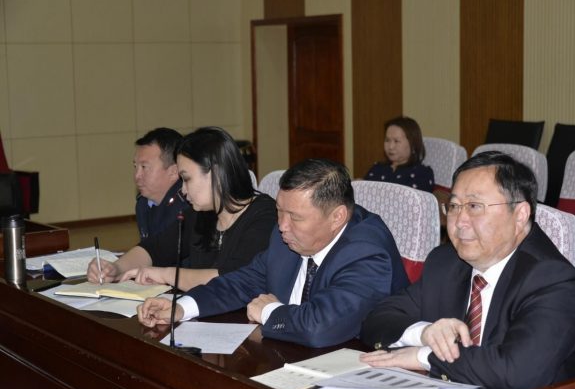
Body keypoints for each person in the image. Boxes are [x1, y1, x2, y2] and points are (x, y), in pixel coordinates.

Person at [359, 151, 575, 389]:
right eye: (453, 206)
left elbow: (517, 372)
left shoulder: (554, 279)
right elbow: (376, 319)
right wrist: (426, 333)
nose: (459, 221)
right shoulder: (446, 262)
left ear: (520, 215)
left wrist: (426, 356)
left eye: (474, 206)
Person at [137, 158, 410, 348]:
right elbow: (243, 281)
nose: (282, 225)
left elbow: (321, 327)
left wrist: (269, 311)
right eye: (279, 211)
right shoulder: (286, 236)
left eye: (295, 217)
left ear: (337, 217)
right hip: (293, 357)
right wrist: (182, 307)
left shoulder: (367, 251)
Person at [87, 127, 277, 289]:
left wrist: (167, 275)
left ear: (216, 173)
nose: (183, 190)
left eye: (186, 179)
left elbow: (234, 278)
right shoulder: (200, 213)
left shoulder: (264, 215)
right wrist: (116, 268)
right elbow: (155, 248)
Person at [134, 128, 188, 241]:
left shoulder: (187, 208)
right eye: (135, 166)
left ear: (174, 172)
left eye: (144, 167)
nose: (137, 176)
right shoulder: (142, 204)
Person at [364, 116, 434, 193]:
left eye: (396, 141)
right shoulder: (377, 168)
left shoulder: (422, 173)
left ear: (413, 144)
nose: (391, 147)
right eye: (387, 140)